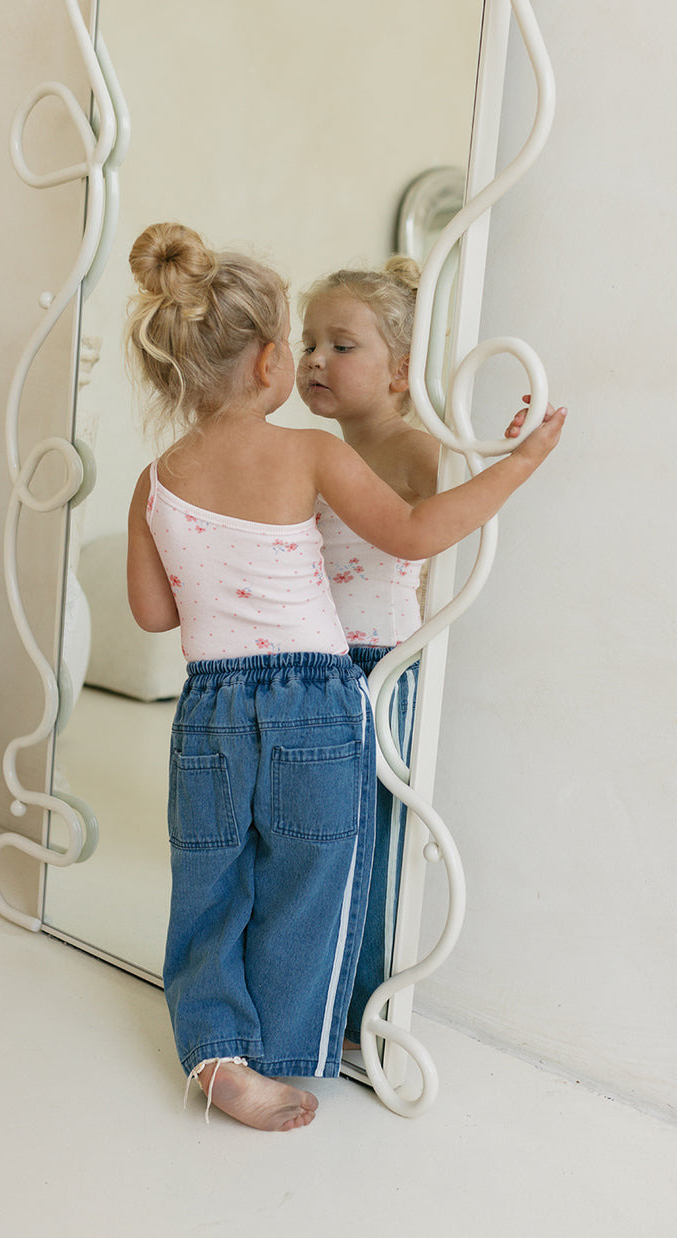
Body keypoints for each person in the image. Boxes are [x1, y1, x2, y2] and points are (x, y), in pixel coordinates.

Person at [125, 223, 565, 1131]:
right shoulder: (311, 455)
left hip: (206, 705)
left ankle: (216, 1053)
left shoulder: (153, 478)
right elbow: (410, 532)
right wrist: (516, 467)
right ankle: (290, 1047)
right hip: (315, 700)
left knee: (208, 882)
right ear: (268, 363)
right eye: (300, 342)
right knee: (312, 877)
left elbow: (153, 614)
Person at [296, 256, 563, 1046]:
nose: (315, 359)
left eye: (341, 346)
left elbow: (457, 506)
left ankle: (362, 999)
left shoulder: (413, 452)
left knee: (372, 840)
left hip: (378, 665)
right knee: (317, 834)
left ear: (401, 373)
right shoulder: (318, 454)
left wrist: (503, 456)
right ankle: (314, 981)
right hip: (315, 664)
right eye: (307, 341)